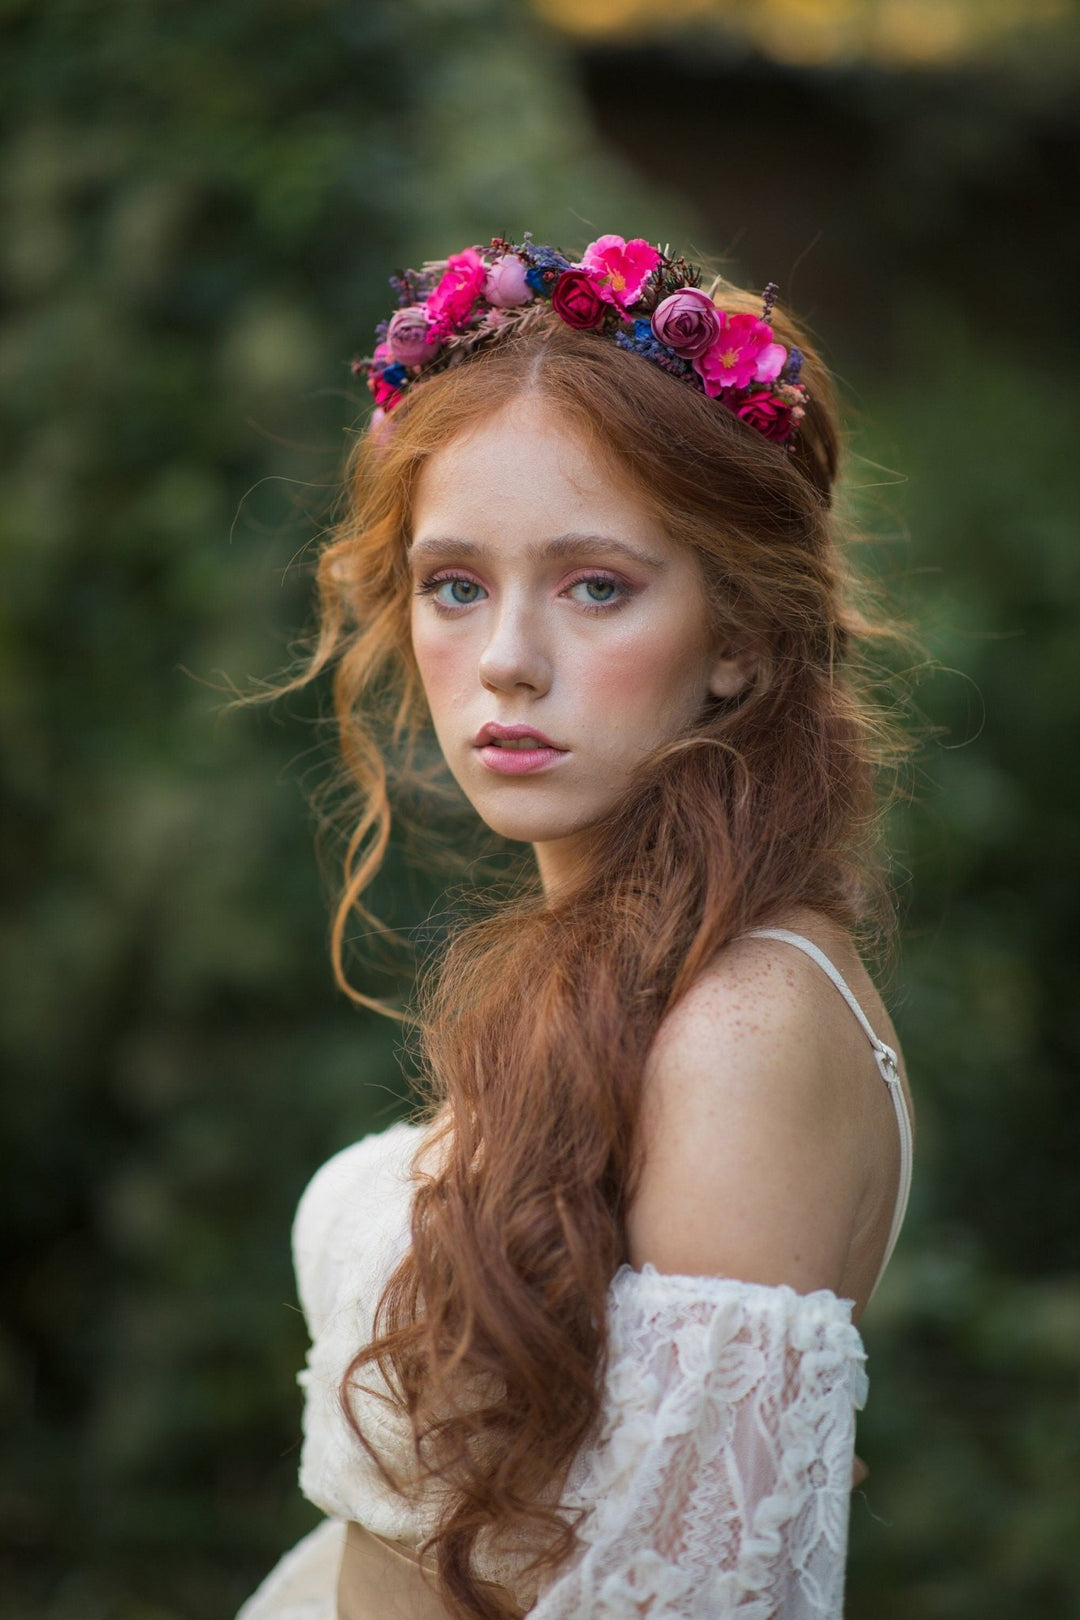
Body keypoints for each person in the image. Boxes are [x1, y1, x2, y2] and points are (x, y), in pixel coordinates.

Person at [237, 233, 915, 1620]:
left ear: (737, 634)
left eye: (595, 585)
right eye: (455, 584)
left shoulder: (739, 1028)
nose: (505, 661)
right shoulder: (618, 977)